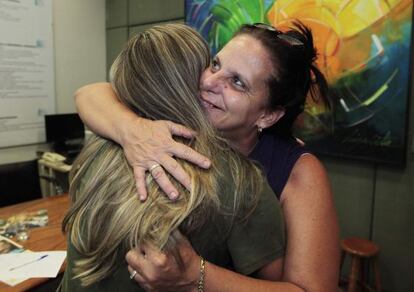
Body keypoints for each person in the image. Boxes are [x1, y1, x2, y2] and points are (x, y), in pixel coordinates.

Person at [75, 22, 340, 291]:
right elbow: (88, 93)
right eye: (215, 64)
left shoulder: (295, 171)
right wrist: (132, 130)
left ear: (267, 115)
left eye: (237, 82)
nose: (209, 82)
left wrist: (195, 275)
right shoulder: (169, 135)